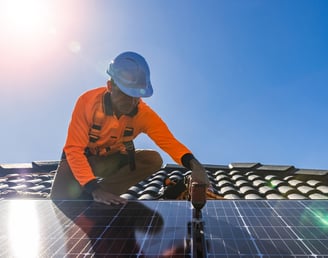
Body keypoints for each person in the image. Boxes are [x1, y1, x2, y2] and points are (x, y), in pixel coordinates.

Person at [50, 51, 209, 205]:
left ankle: (100, 195)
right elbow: (74, 149)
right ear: (111, 86)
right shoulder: (87, 102)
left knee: (152, 159)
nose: (132, 102)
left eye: (136, 95)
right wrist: (93, 187)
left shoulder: (144, 114)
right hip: (80, 161)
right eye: (126, 94)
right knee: (60, 199)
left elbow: (170, 143)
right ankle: (95, 192)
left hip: (111, 162)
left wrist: (196, 166)